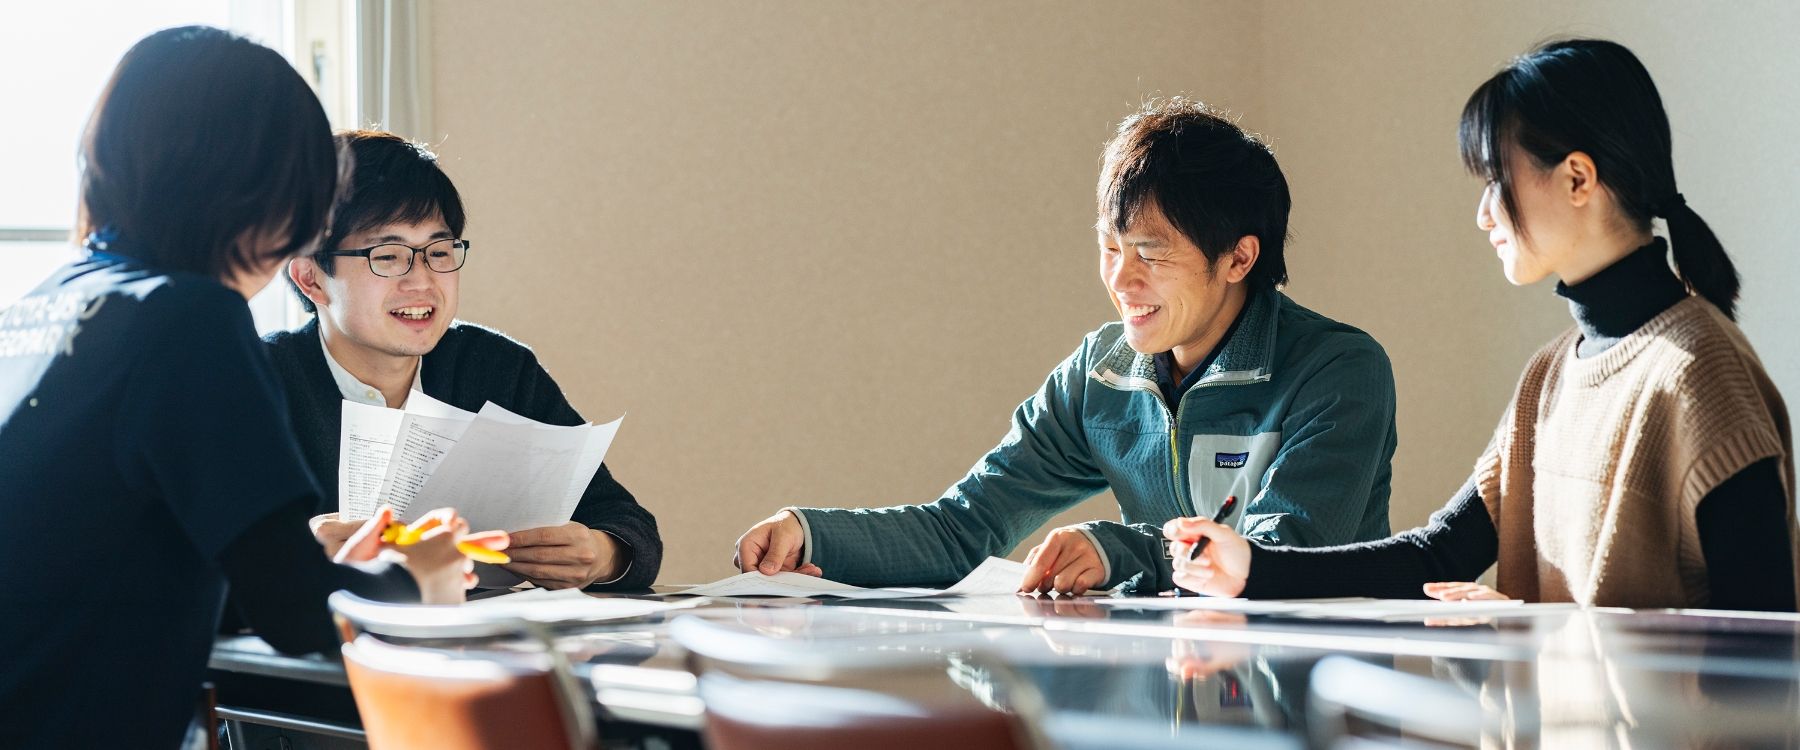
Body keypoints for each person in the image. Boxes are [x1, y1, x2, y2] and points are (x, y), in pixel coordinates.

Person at [0, 27, 500, 749]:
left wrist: (312, 562)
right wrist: (416, 579)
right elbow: (297, 615)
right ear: (264, 187)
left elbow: (118, 573)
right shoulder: (187, 317)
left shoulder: (42, 309)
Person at [1166, 39, 1795, 612]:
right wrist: (1252, 567)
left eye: (1496, 180)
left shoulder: (1700, 372)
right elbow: (1439, 554)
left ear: (1577, 178)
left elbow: (1762, 639)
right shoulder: (1549, 375)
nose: (1483, 214)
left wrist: (1528, 630)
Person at [735, 99, 1400, 595]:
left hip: (1307, 702)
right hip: (1162, 697)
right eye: (1110, 248)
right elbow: (964, 527)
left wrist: (1119, 552)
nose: (1121, 279)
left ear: (1238, 258)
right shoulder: (1100, 373)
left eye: (1150, 254)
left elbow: (1283, 552)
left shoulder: (1338, 370)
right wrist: (810, 534)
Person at [274, 130, 662, 590]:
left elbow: (626, 524)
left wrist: (603, 554)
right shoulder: (256, 381)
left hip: (479, 632)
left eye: (438, 252)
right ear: (311, 279)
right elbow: (207, 566)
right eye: (388, 256)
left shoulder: (497, 368)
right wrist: (294, 555)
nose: (422, 281)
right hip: (324, 634)